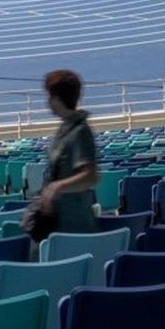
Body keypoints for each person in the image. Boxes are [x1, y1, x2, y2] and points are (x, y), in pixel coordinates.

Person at [36, 68, 99, 233]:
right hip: (60, 219)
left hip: (73, 223)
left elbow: (90, 176)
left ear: (57, 99)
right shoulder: (66, 127)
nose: (47, 102)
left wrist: (55, 188)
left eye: (50, 96)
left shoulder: (80, 131)